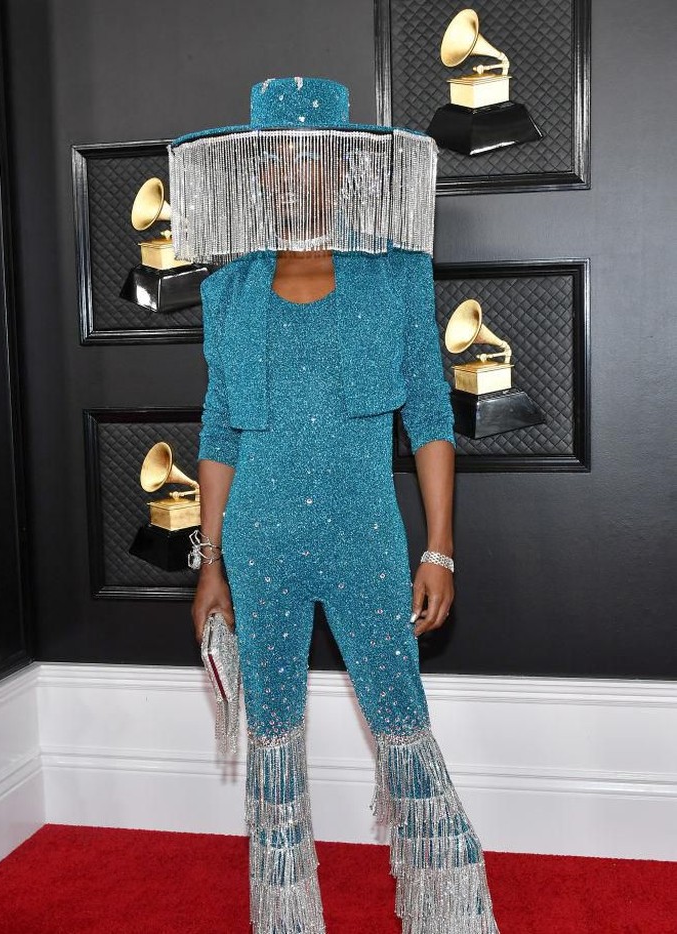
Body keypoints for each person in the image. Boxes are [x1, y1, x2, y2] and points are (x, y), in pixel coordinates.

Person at [169, 76, 500, 934]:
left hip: (364, 538)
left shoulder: (393, 274)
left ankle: (448, 911)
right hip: (258, 544)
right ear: (256, 168)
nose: (290, 173)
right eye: (273, 156)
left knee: (402, 723)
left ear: (342, 165)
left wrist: (439, 549)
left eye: (306, 155)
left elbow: (430, 415)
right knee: (272, 743)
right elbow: (217, 433)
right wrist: (209, 567)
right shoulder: (228, 290)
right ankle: (286, 917)